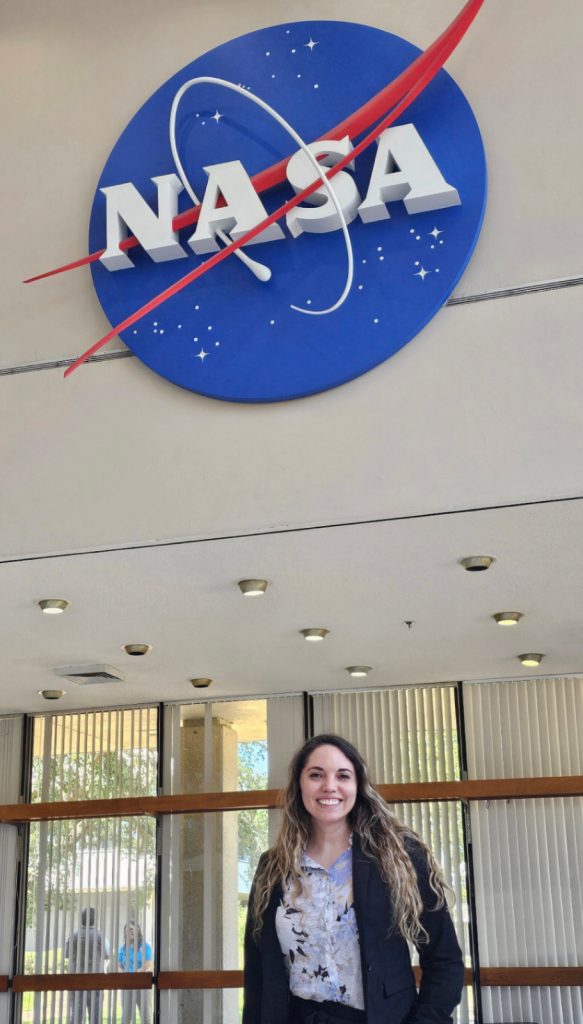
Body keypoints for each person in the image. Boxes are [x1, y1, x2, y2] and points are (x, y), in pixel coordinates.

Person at [243, 734, 464, 1024]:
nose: (329, 786)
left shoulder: (399, 855)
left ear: (358, 785)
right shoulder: (272, 867)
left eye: (343, 775)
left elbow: (444, 960)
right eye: (316, 775)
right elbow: (257, 973)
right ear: (299, 784)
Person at [64, 907, 110, 1024]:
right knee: (95, 1016)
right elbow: (107, 955)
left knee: (76, 1015)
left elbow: (67, 954)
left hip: (77, 980)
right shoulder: (99, 936)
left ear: (82, 919)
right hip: (96, 980)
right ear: (94, 920)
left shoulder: (73, 935)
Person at [117, 921, 153, 1024]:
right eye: (127, 930)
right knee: (126, 1017)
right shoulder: (122, 949)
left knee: (145, 1017)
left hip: (142, 985)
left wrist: (135, 975)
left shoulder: (145, 946)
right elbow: (118, 965)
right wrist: (123, 974)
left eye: (131, 929)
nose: (129, 932)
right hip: (127, 985)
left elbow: (148, 964)